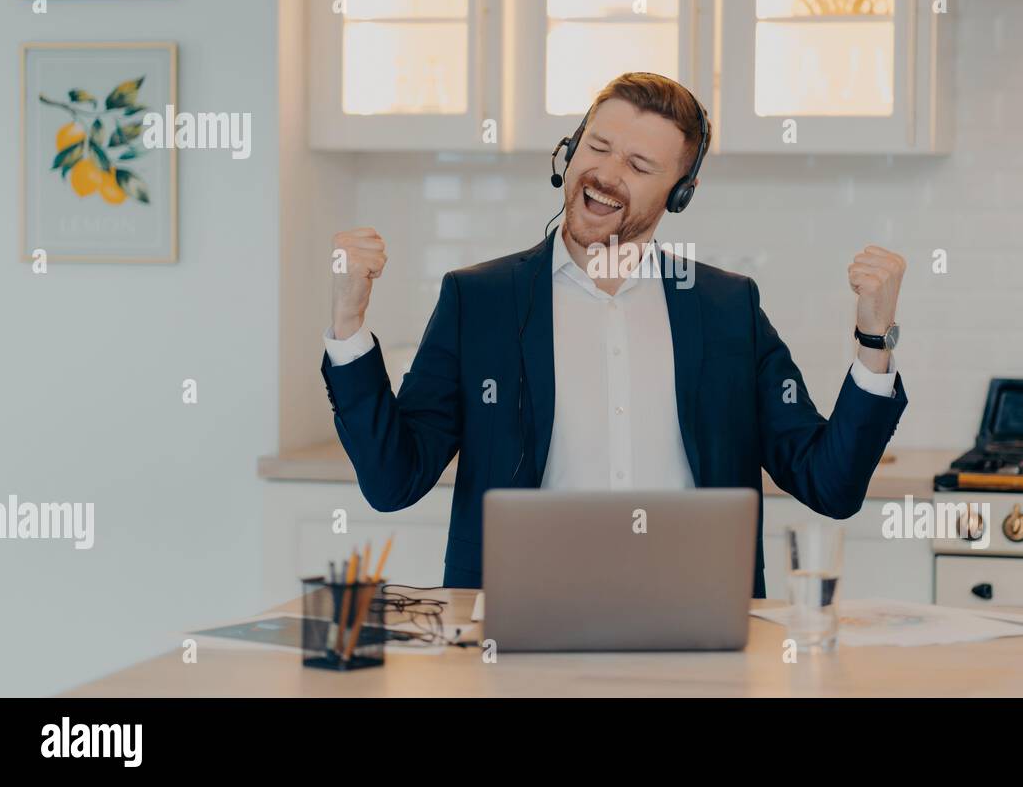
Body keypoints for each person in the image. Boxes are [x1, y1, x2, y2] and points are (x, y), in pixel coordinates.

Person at [321, 71, 908, 598]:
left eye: (639, 165)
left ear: (680, 194)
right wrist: (348, 324)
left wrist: (874, 336)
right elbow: (393, 481)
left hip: (698, 630)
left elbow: (829, 485)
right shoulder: (480, 300)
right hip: (519, 631)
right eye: (597, 147)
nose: (606, 174)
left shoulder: (727, 307)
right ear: (570, 151)